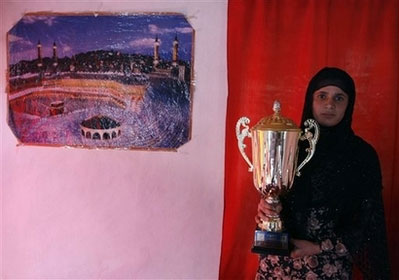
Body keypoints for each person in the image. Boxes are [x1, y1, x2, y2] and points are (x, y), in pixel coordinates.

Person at [255, 67, 390, 279]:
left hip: (326, 265)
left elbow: (367, 221)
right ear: (311, 100)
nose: (329, 104)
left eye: (339, 98)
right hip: (279, 263)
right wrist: (268, 207)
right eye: (322, 96)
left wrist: (318, 248)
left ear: (349, 104)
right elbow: (275, 193)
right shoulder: (290, 144)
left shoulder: (362, 156)